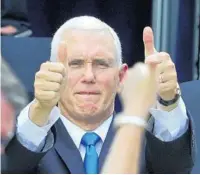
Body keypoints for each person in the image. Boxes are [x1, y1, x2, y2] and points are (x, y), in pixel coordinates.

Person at [3, 16, 195, 174]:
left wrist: (168, 100)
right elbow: (11, 167)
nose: (89, 76)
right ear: (52, 72)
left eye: (101, 64)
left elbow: (176, 167)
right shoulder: (35, 138)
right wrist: (40, 108)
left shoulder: (145, 137)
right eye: (75, 63)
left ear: (121, 76)